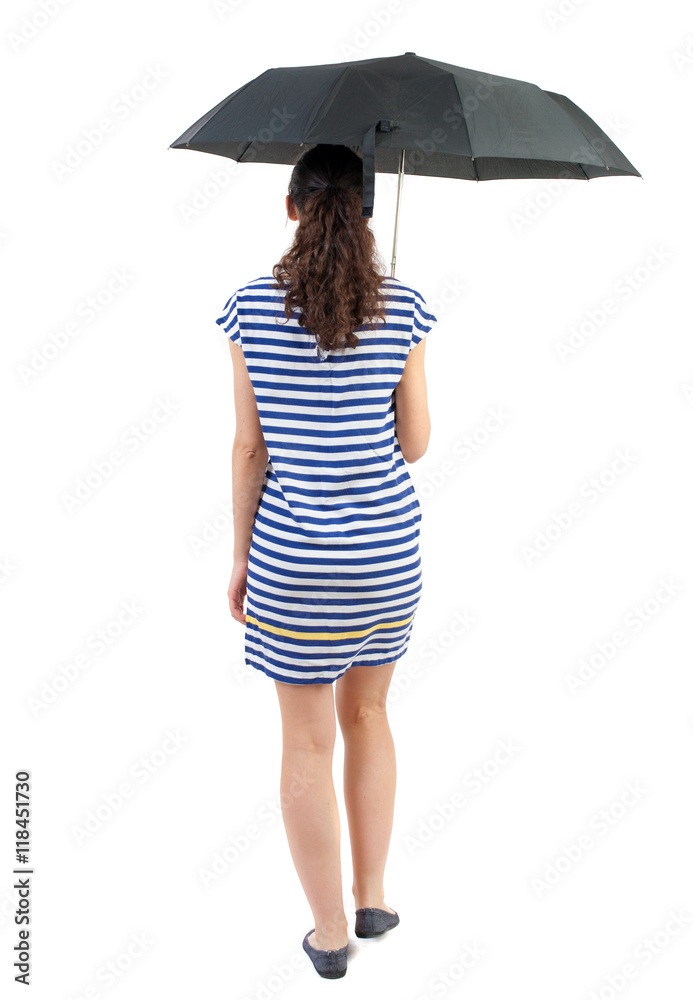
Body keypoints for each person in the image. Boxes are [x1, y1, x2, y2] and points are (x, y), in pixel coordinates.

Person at [215, 143, 437, 979]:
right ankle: (373, 895)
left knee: (306, 744)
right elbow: (414, 444)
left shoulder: (249, 306)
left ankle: (330, 932)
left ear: (291, 207)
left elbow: (249, 450)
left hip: (294, 563)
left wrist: (241, 559)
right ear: (368, 212)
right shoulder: (403, 304)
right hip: (386, 557)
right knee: (368, 715)